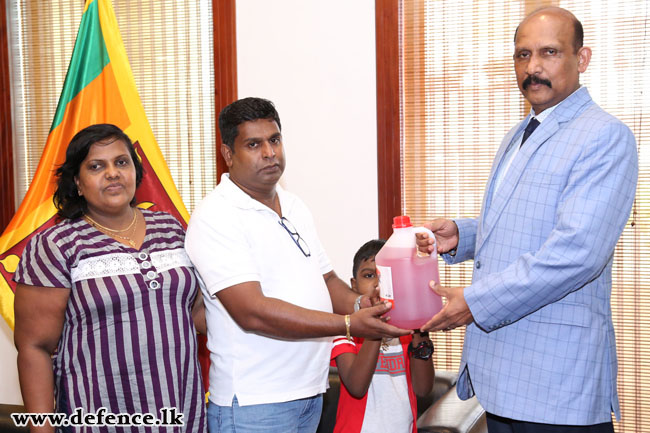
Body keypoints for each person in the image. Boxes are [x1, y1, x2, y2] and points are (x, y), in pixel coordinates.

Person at [416, 7, 638, 433]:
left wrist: (476, 302)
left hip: (557, 385)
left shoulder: (604, 136)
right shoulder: (521, 132)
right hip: (503, 380)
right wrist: (463, 236)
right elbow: (525, 225)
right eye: (523, 55)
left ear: (582, 58)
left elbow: (576, 253)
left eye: (549, 52)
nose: (533, 67)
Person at [185, 97, 410, 433]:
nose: (269, 153)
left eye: (274, 140)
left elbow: (329, 281)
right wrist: (349, 323)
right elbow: (253, 312)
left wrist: (367, 304)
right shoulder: (216, 216)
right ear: (229, 154)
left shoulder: (294, 205)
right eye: (254, 144)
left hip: (309, 395)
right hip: (254, 406)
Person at [13, 124, 207, 432]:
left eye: (121, 162)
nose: (113, 173)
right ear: (77, 182)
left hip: (181, 412)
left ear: (135, 171)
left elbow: (196, 314)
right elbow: (34, 347)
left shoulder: (170, 228)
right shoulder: (55, 244)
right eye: (96, 166)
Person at [331, 239, 434, 433]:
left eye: (386, 275)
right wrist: (376, 326)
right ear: (354, 285)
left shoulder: (406, 331)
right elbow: (356, 386)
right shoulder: (345, 328)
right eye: (369, 275)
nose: (378, 284)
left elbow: (423, 389)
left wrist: (421, 329)